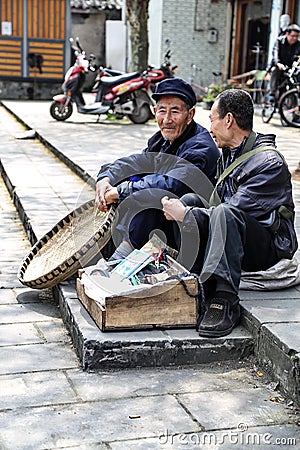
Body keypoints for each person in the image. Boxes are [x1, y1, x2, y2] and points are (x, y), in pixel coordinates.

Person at [161, 89, 297, 338]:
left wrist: (187, 214)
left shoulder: (268, 163)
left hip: (268, 249)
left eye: (212, 118)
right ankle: (193, 277)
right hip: (235, 237)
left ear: (229, 120)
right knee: (191, 199)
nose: (209, 125)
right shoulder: (230, 153)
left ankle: (224, 298)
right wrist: (188, 208)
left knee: (221, 212)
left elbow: (234, 210)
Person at [95, 77, 220, 260]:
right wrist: (106, 178)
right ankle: (117, 248)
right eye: (162, 111)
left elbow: (171, 186)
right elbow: (136, 163)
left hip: (193, 230)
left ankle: (121, 257)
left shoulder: (200, 147)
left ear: (190, 115)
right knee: (133, 182)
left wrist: (118, 192)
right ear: (155, 112)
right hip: (165, 224)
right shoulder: (162, 140)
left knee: (156, 197)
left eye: (175, 111)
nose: (167, 119)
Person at [268, 23, 300, 101]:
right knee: (276, 70)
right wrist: (278, 63)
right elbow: (275, 53)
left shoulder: (298, 44)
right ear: (287, 34)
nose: (295, 38)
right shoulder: (279, 41)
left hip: (291, 67)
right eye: (293, 36)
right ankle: (272, 93)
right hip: (279, 65)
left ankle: (295, 99)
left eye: (297, 36)